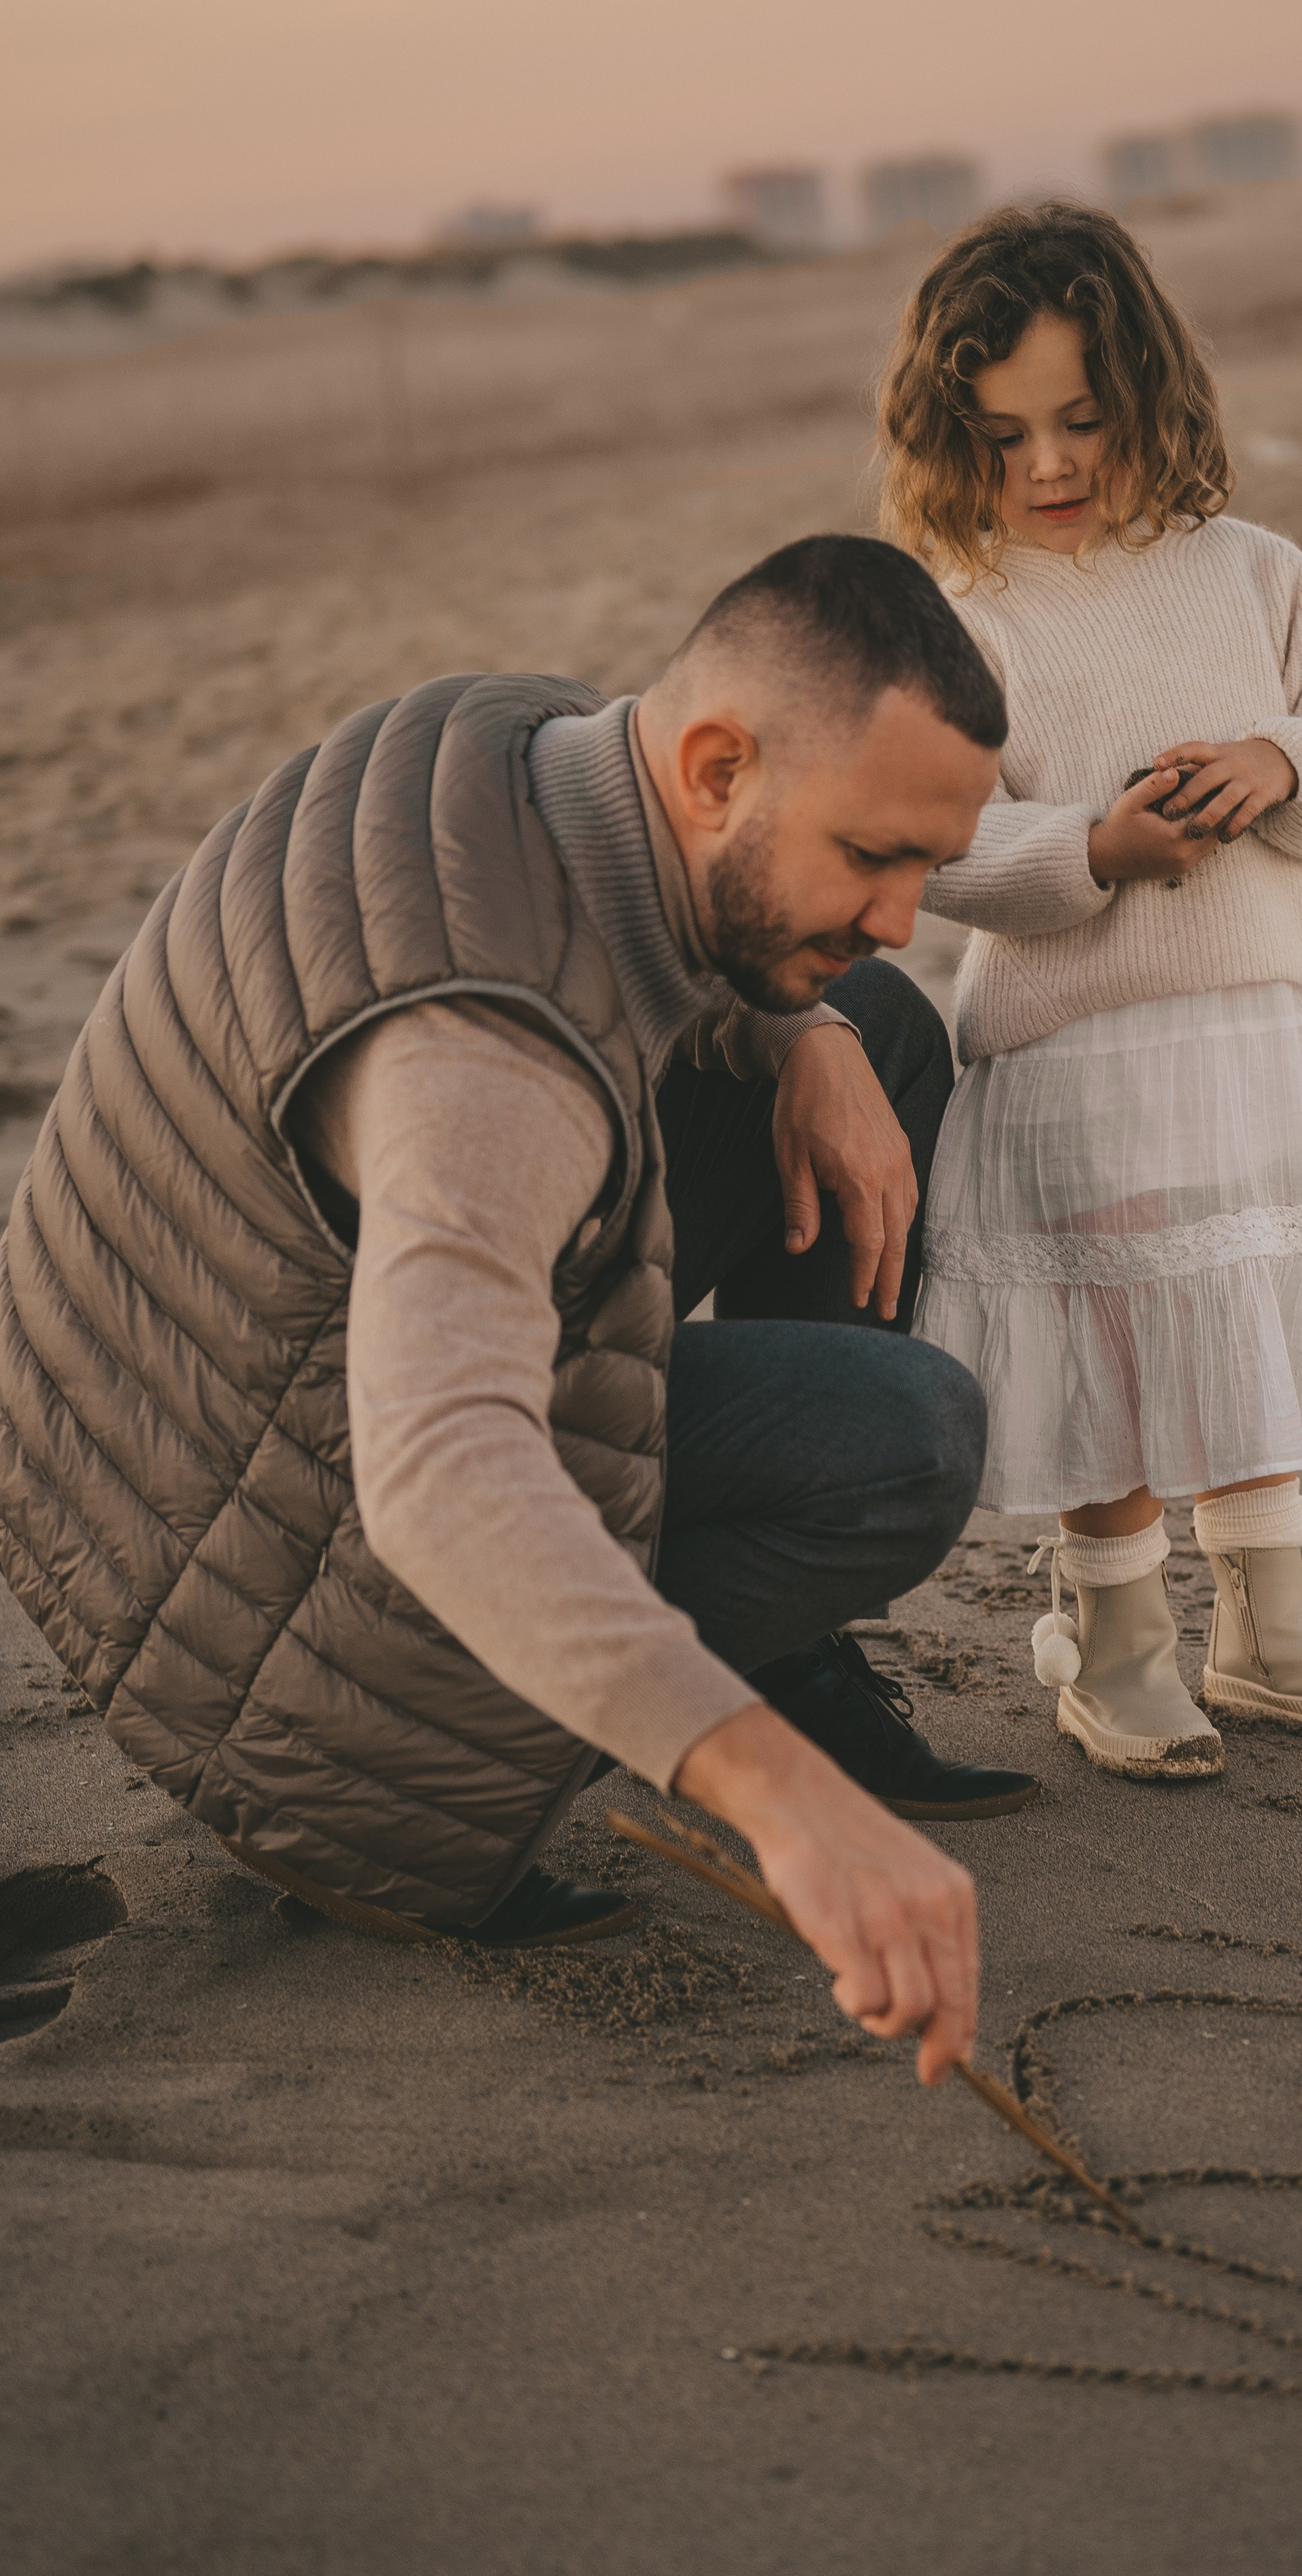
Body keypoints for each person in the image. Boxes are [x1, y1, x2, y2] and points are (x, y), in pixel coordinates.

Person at [0, 536, 1038, 2086]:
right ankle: (545, 1759)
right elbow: (442, 1478)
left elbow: (721, 947)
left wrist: (803, 1023)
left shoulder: (522, 745)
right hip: (280, 1633)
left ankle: (764, 1654)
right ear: (713, 767)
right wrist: (776, 1800)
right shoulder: (484, 1064)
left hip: (195, 1410)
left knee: (867, 1027)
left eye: (926, 871)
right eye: (871, 857)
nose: (903, 910)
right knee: (906, 1441)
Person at [878, 204, 1302, 1783]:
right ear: (949, 438)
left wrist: (1276, 761)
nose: (1047, 465)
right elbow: (931, 838)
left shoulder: (1246, 570)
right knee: (1113, 1335)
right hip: (1067, 1052)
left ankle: (1268, 1615)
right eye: (1002, 437)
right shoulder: (958, 611)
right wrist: (1092, 847)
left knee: (1234, 1308)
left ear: (1148, 394)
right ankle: (1115, 1632)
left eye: (1080, 420)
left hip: (1251, 1030)